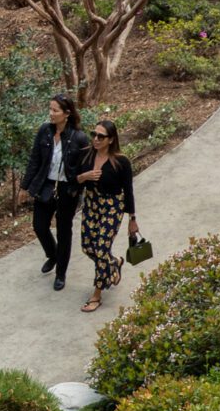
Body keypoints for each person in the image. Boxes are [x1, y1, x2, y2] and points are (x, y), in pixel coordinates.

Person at [19, 96, 88, 291]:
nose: (51, 113)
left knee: (64, 231)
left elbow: (84, 168)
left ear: (67, 114)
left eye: (55, 110)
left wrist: (77, 191)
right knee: (39, 226)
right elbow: (34, 160)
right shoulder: (45, 131)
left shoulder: (79, 137)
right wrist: (25, 187)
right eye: (50, 109)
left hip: (67, 189)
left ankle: (60, 274)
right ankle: (53, 254)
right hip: (45, 185)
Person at [73, 119, 138, 314]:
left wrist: (132, 219)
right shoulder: (86, 156)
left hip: (112, 206)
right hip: (91, 204)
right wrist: (85, 177)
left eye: (101, 136)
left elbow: (128, 190)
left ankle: (97, 295)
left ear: (111, 139)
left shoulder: (121, 161)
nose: (96, 139)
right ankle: (113, 263)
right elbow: (74, 179)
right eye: (94, 134)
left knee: (101, 247)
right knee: (87, 247)